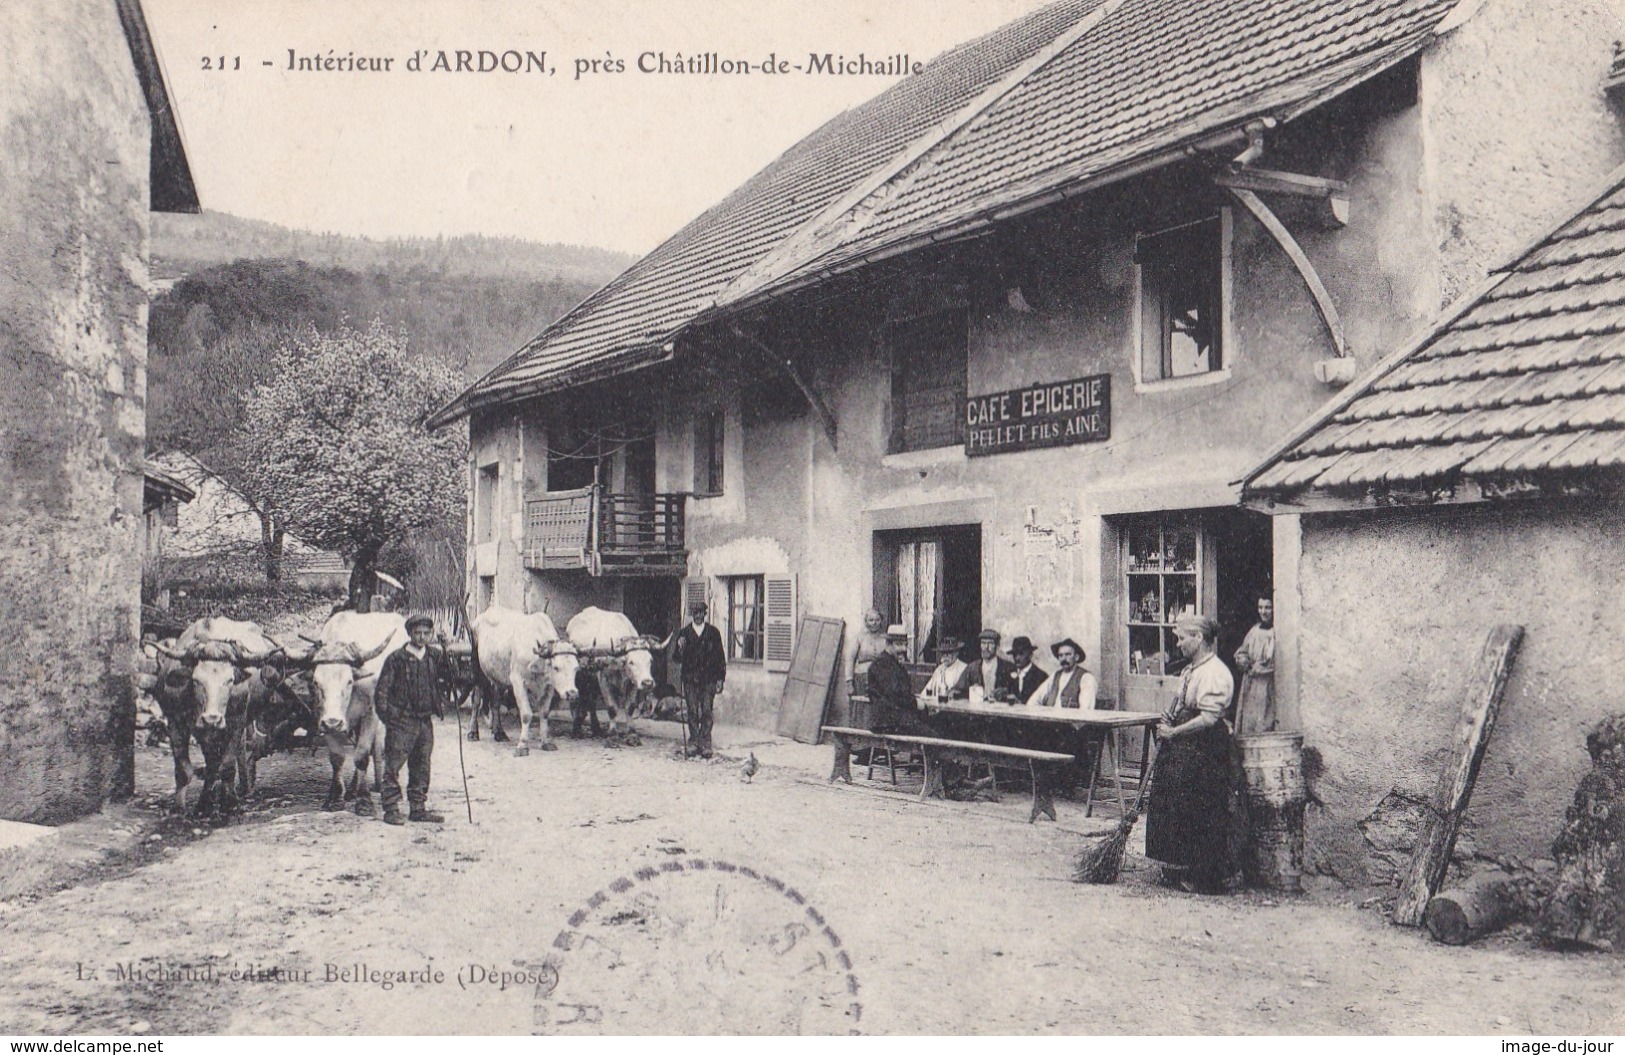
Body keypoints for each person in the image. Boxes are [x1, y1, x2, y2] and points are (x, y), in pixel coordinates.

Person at [1146, 613, 1236, 893]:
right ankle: (1175, 866)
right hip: (1186, 746)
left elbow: (1209, 719)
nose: (1179, 643)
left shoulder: (1216, 673)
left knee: (1201, 807)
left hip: (1206, 749)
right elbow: (1182, 704)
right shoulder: (1190, 671)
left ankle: (1203, 875)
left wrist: (1174, 732)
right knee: (1174, 801)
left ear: (1198, 638)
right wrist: (1170, 717)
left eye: (1182, 638)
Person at [374, 613, 448, 825]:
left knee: (421, 764)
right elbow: (382, 692)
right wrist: (391, 718)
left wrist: (445, 648)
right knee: (393, 765)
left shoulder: (433, 656)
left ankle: (418, 808)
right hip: (402, 721)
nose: (422, 637)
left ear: (431, 634)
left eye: (426, 633)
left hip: (425, 721)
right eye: (417, 633)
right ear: (409, 634)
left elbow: (448, 678)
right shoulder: (396, 659)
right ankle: (390, 809)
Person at [672, 601, 726, 758]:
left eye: (701, 612)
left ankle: (705, 742)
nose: (698, 616)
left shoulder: (713, 633)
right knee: (692, 711)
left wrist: (720, 679)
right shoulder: (684, 633)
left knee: (707, 711)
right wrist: (680, 647)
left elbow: (720, 658)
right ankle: (694, 741)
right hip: (690, 680)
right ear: (691, 615)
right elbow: (676, 658)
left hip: (708, 679)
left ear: (705, 614)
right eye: (695, 613)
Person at [864, 625, 937, 736]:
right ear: (888, 644)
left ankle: (919, 753)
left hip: (898, 718)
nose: (903, 649)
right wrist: (915, 702)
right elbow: (895, 694)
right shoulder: (882, 663)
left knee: (936, 725)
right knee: (934, 738)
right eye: (899, 645)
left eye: (905, 645)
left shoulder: (892, 662)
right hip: (888, 722)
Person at [1233, 594, 1277, 734]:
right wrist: (1243, 661)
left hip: (1266, 684)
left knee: (1264, 722)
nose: (1263, 612)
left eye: (1268, 608)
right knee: (1248, 722)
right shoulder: (1254, 631)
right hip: (1250, 685)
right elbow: (1241, 651)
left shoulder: (1276, 633)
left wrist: (1260, 668)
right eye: (1260, 607)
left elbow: (1275, 661)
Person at [1034, 638, 1097, 709]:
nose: (1064, 659)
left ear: (1076, 657)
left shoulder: (1086, 678)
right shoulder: (1055, 676)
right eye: (1061, 655)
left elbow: (1085, 709)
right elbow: (1034, 700)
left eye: (1068, 654)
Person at [999, 635, 1049, 704]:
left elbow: (1044, 704)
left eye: (1021, 654)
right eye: (1014, 654)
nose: (1017, 658)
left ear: (1030, 655)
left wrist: (1020, 703)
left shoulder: (1041, 676)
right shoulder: (1007, 674)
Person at [967, 629, 1013, 701]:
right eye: (983, 643)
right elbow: (960, 688)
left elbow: (1016, 691)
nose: (986, 647)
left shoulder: (1007, 667)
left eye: (990, 643)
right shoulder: (973, 667)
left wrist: (1006, 691)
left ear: (997, 646)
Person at [850, 608, 889, 689]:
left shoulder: (886, 639)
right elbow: (850, 659)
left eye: (877, 620)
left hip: (881, 679)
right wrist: (849, 682)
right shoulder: (860, 638)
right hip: (862, 677)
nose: (874, 623)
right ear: (866, 622)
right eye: (871, 620)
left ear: (881, 621)